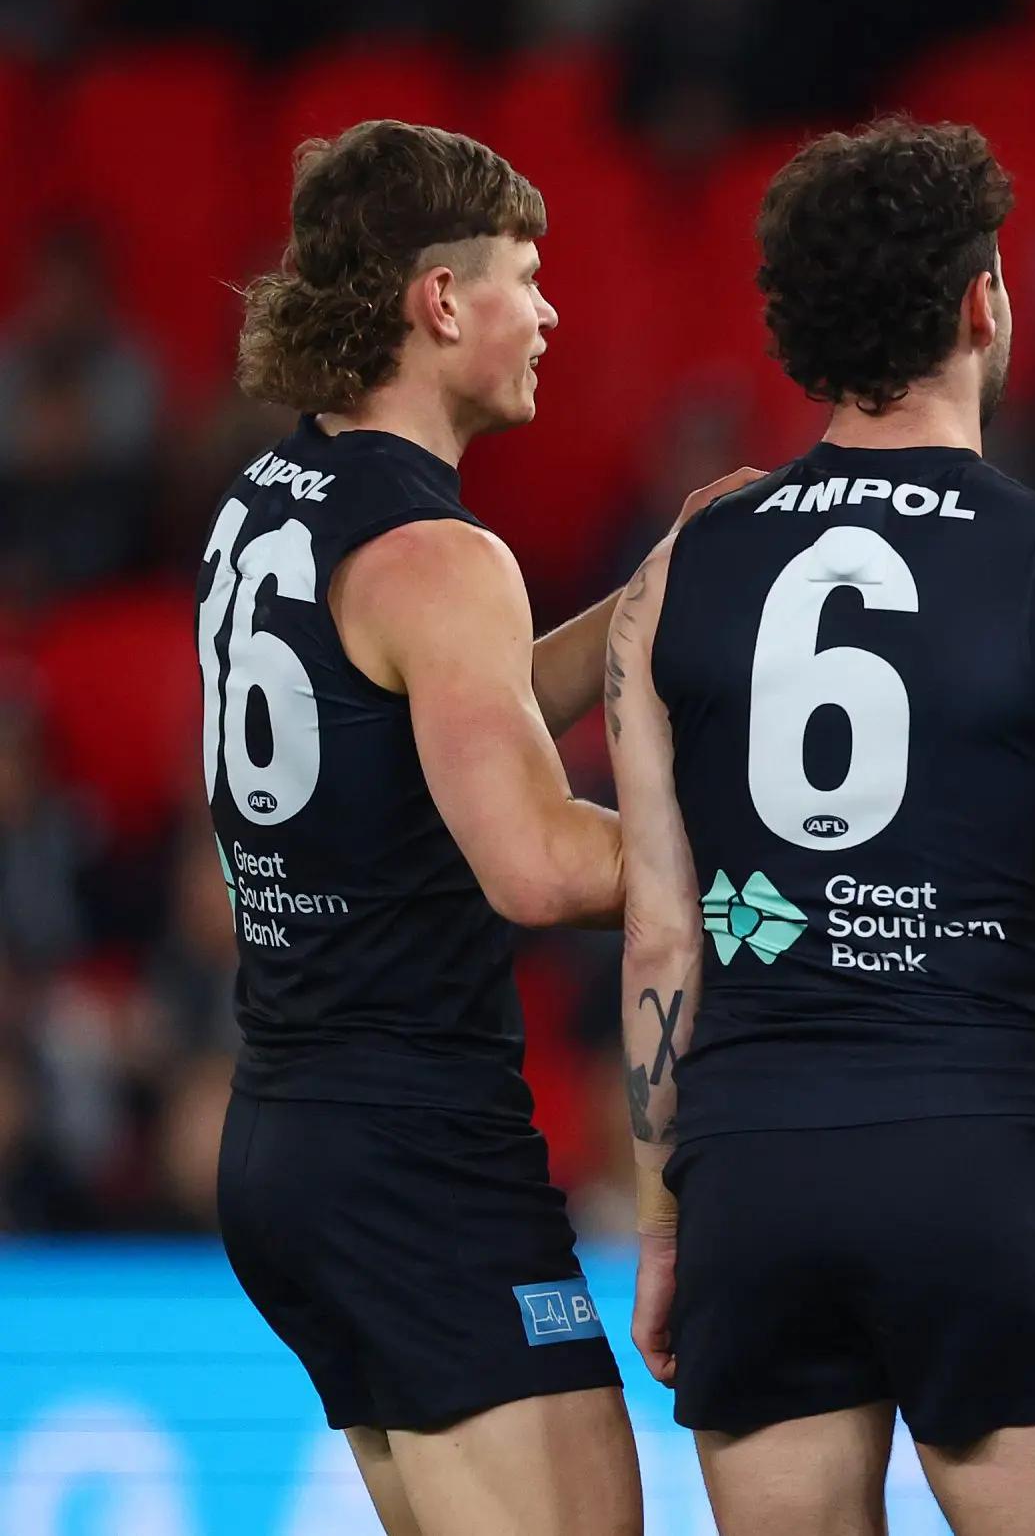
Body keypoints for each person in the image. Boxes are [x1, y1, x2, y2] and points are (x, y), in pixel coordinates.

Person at [607, 118, 1035, 1536]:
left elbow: (661, 934)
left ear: (796, 332)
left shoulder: (673, 574)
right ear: (984, 300)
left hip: (753, 1166)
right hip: (984, 1161)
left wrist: (662, 1215)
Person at [208, 120, 738, 1536]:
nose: (552, 308)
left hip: (290, 1125)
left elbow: (429, 717)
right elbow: (538, 859)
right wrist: (802, 852)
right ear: (440, 302)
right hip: (415, 1149)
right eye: (524, 273)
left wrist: (646, 594)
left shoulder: (274, 500)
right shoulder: (444, 557)